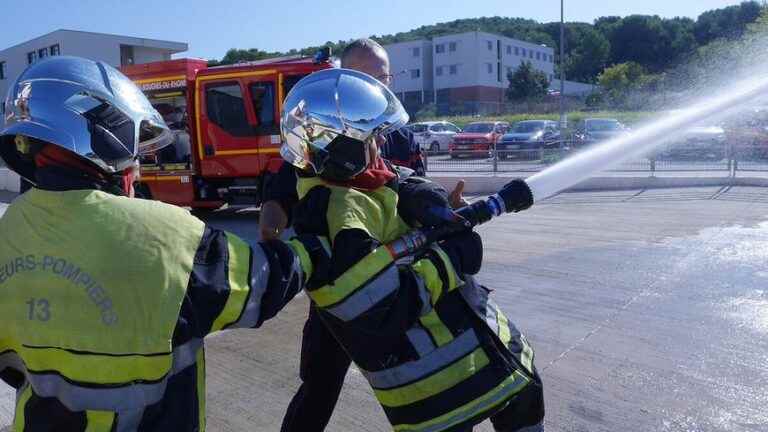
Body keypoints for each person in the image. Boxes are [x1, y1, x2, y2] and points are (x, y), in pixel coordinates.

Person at [0, 56, 378, 432]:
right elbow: (262, 286)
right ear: (105, 133)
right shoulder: (163, 233)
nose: (137, 165)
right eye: (134, 147)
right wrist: (315, 247)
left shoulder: (8, 231)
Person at [279, 68, 544, 431]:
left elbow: (405, 182)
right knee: (319, 387)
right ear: (343, 150)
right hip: (442, 396)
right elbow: (381, 311)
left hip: (498, 366)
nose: (381, 146)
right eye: (373, 138)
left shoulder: (371, 182)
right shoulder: (334, 215)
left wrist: (432, 203)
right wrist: (451, 257)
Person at [260, 38, 438, 242]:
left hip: (399, 257)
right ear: (344, 81)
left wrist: (446, 207)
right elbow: (278, 196)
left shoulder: (403, 139)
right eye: (365, 79)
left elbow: (418, 190)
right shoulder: (322, 138)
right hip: (343, 261)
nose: (375, 87)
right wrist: (271, 237)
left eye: (382, 78)